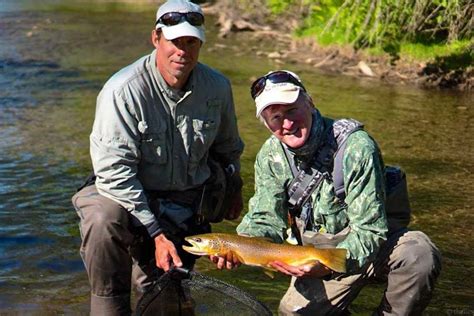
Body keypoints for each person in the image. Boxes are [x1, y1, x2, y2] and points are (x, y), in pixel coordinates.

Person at [213, 70, 442, 315]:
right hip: (315, 257)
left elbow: (370, 230)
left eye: (292, 110)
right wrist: (241, 246)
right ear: (266, 123)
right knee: (293, 313)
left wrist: (326, 266)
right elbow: (266, 217)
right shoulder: (270, 156)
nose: (287, 124)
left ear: (310, 102)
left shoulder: (356, 147)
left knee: (419, 254)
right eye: (275, 117)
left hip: (375, 247)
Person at [71, 0, 244, 314]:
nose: (183, 51)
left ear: (201, 44)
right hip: (123, 196)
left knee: (163, 295)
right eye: (175, 42)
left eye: (191, 42)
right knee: (101, 218)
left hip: (182, 202)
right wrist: (155, 232)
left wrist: (235, 187)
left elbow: (228, 149)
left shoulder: (217, 87)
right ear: (156, 39)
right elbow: (114, 173)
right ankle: (109, 303)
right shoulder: (122, 90)